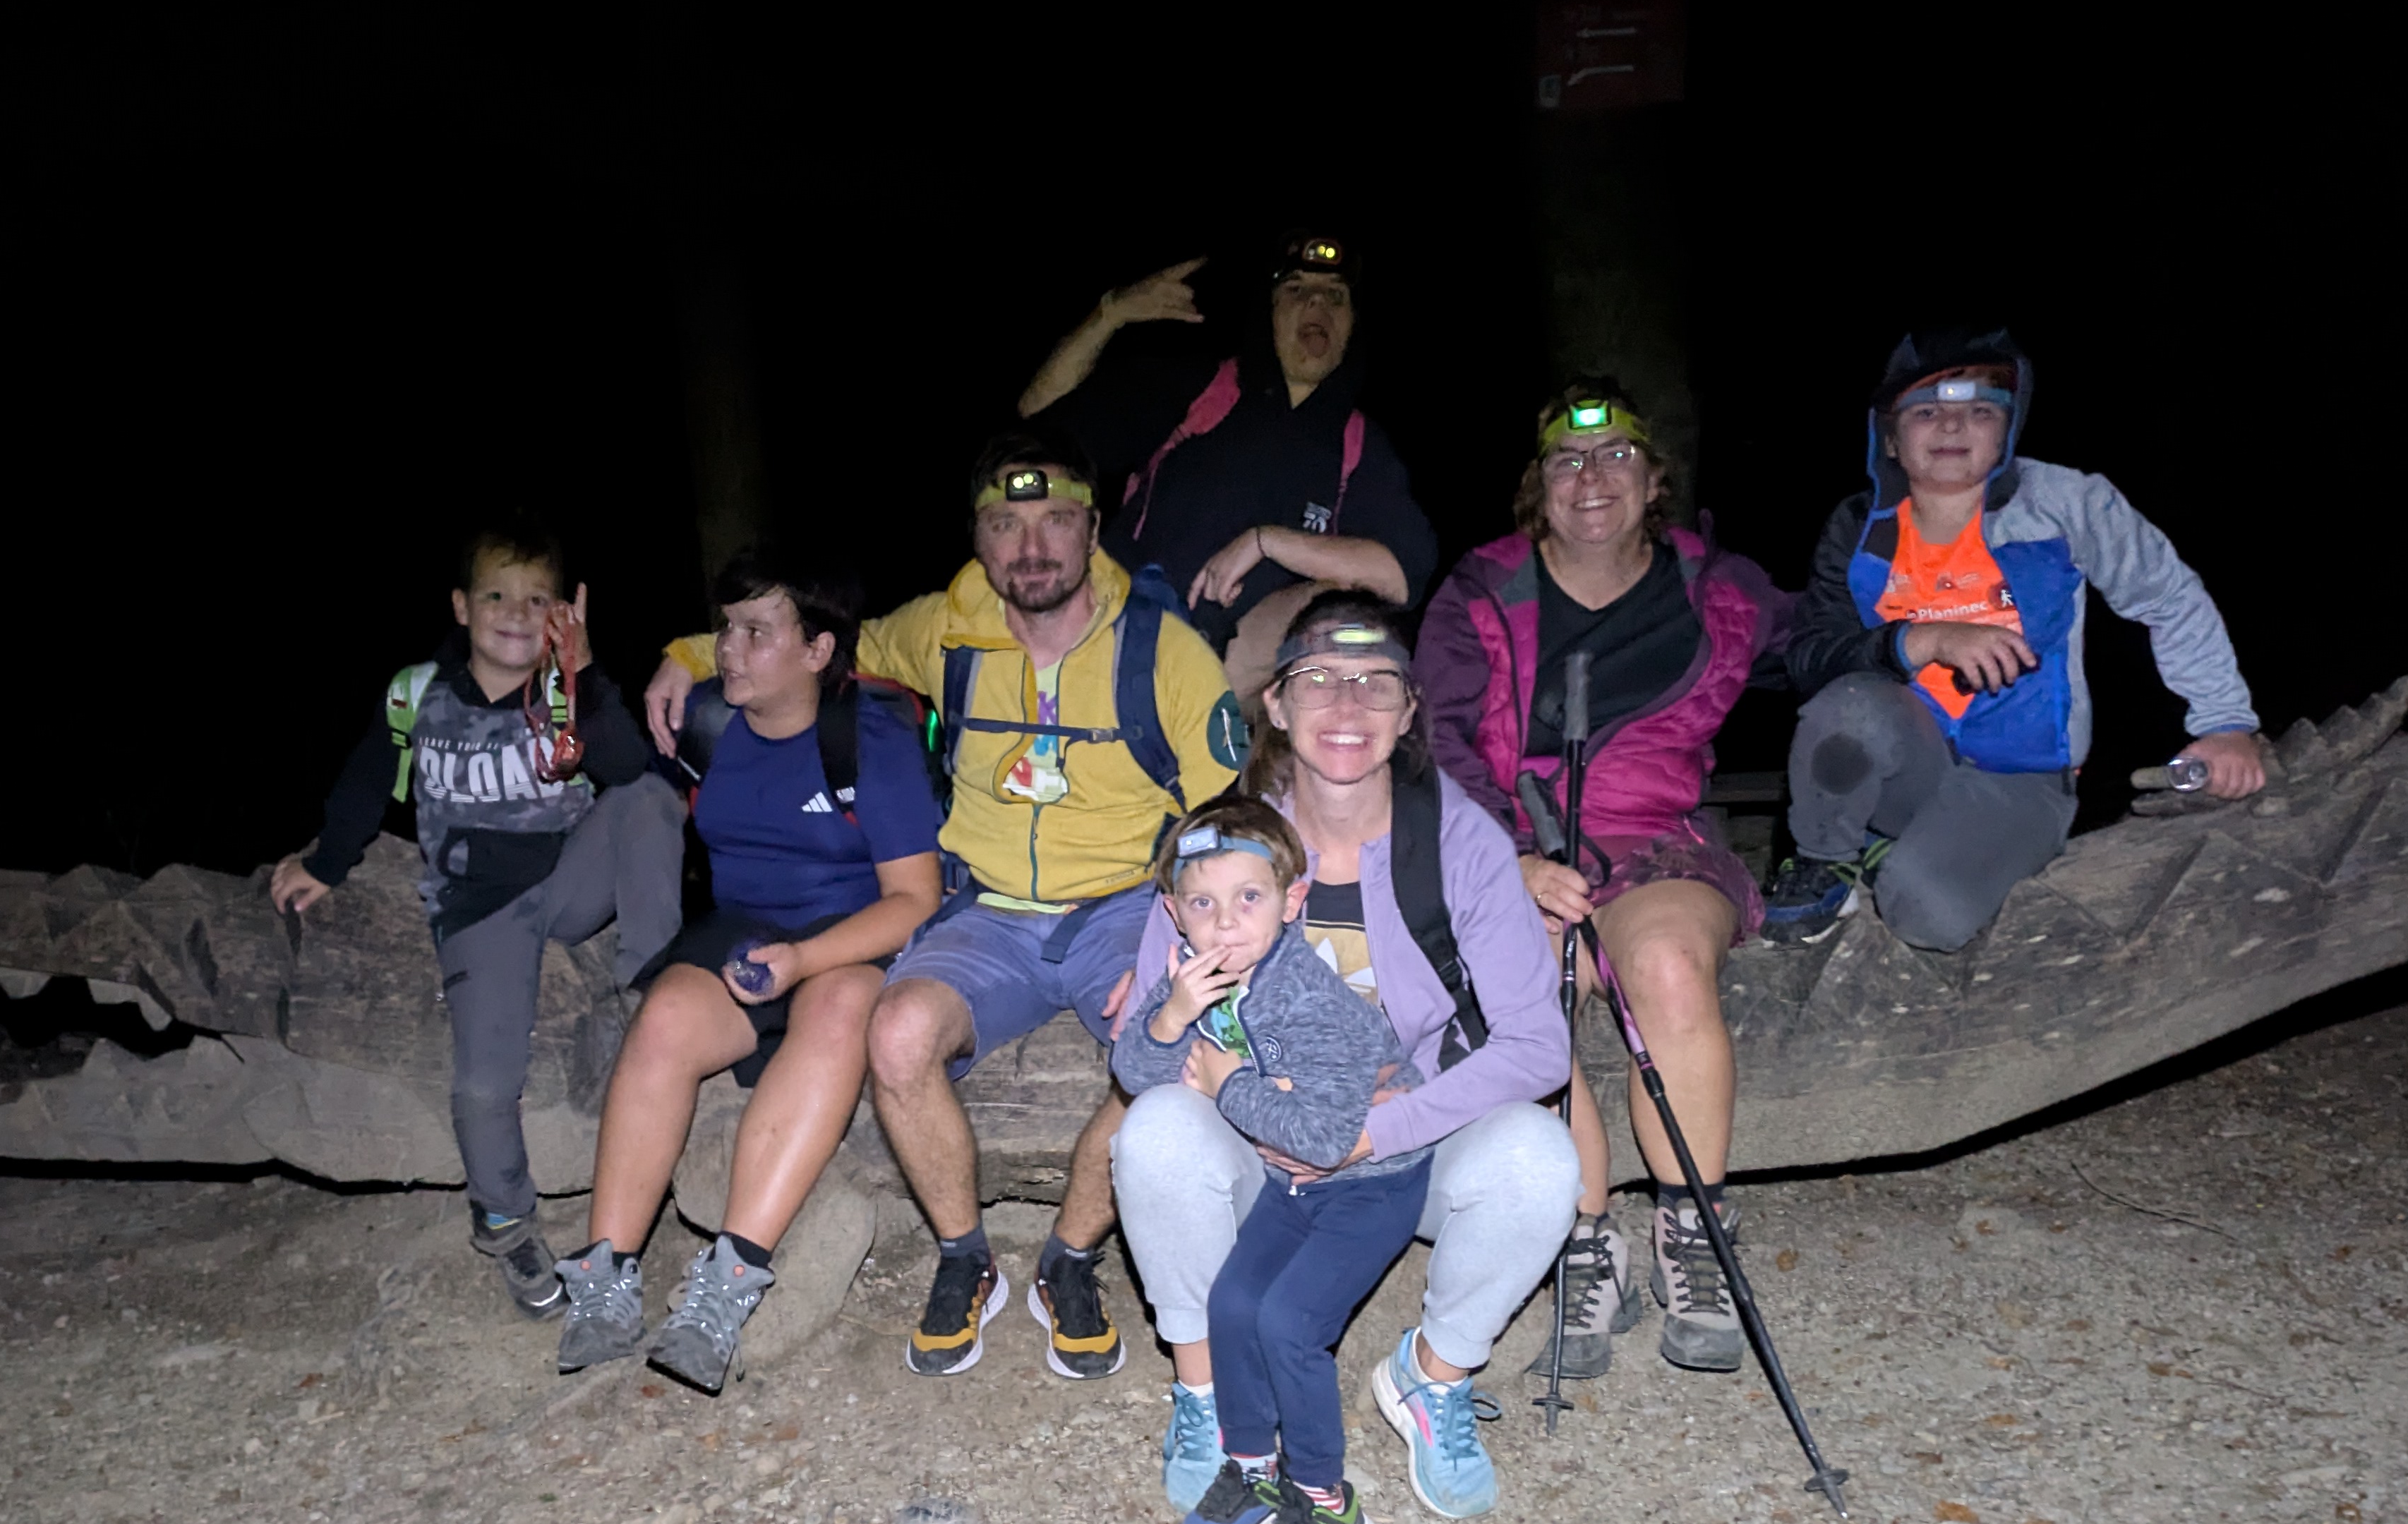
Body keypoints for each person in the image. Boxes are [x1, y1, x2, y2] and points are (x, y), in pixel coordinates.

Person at [645, 425, 1243, 1381]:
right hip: (987, 911)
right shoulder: (945, 628)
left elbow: (1228, 813)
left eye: (1055, 521)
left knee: (1170, 1049)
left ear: (1093, 530)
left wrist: (1188, 942)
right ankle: (967, 1256)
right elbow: (817, 640)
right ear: (978, 538)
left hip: (1125, 905)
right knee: (896, 1033)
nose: (1031, 547)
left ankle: (1069, 1256)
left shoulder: (1163, 649)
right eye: (1005, 525)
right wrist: (686, 651)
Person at [1112, 593, 1578, 1524]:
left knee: (1539, 1158)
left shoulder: (1457, 842)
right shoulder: (1220, 848)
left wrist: (1373, 1132)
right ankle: (1205, 1393)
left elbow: (1538, 1047)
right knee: (1154, 1129)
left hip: (1405, 1149)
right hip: (1260, 1146)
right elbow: (1151, 1040)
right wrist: (1222, 1078)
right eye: (1318, 678)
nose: (1347, 703)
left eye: (1376, 682)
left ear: (1409, 711)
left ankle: (1432, 1377)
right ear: (1276, 704)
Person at [1414, 385, 1792, 1383]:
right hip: (1519, 834)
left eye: (1617, 455)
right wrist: (1506, 858)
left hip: (1658, 833)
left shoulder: (1715, 584)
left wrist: (1914, 642)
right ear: (1538, 486)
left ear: (1654, 479)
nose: (1592, 477)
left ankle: (1692, 1227)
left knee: (1665, 964)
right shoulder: (1481, 589)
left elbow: (1825, 640)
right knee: (1523, 982)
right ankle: (1584, 1235)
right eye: (1568, 461)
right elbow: (1437, 737)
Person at [554, 556, 944, 1393]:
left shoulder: (868, 739)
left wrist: (805, 960)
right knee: (664, 1016)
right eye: (726, 628)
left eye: (755, 633)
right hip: (742, 929)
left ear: (816, 650)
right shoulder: (707, 722)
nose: (728, 649)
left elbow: (915, 898)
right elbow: (623, 766)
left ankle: (723, 1289)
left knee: (839, 1010)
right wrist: (583, 677)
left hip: (851, 933)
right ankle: (605, 1278)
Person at [272, 521, 681, 1317]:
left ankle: (653, 986)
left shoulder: (565, 689)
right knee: (486, 1081)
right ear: (461, 606)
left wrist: (584, 670)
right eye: (496, 595)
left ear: (561, 612)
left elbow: (628, 767)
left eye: (537, 599)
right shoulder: (418, 693)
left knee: (650, 798)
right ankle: (503, 1219)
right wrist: (326, 862)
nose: (515, 613)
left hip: (566, 882)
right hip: (479, 908)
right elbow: (365, 781)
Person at [1762, 331, 2265, 950]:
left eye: (1980, 410)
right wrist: (1921, 640)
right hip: (1906, 762)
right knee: (1850, 703)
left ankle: (1904, 858)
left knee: (1926, 913)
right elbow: (1810, 658)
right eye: (1926, 412)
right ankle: (1827, 862)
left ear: (2008, 431)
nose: (1952, 426)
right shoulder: (1860, 527)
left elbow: (2167, 596)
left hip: (2022, 778)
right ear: (1890, 438)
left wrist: (2224, 724)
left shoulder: (2065, 504)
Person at [1112, 798, 1434, 1524]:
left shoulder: (1312, 1003)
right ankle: (1251, 1467)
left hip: (1370, 1187)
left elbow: (1324, 1139)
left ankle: (1328, 1504)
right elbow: (1136, 1073)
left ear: (1293, 901)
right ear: (1174, 913)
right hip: (1291, 1185)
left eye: (1249, 897)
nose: (1225, 922)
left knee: (1289, 1322)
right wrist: (1171, 1017)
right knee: (1231, 1304)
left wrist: (1228, 1084)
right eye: (1203, 902)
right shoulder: (1194, 980)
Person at [1018, 235, 1438, 700]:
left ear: (1352, 325)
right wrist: (1109, 315)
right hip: (1121, 644)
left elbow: (1401, 577)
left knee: (1345, 617)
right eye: (1296, 290)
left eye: (1335, 296)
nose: (1317, 303)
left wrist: (1267, 542)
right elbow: (1039, 421)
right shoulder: (1204, 390)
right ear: (1268, 311)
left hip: (1243, 692)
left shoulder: (1359, 445)